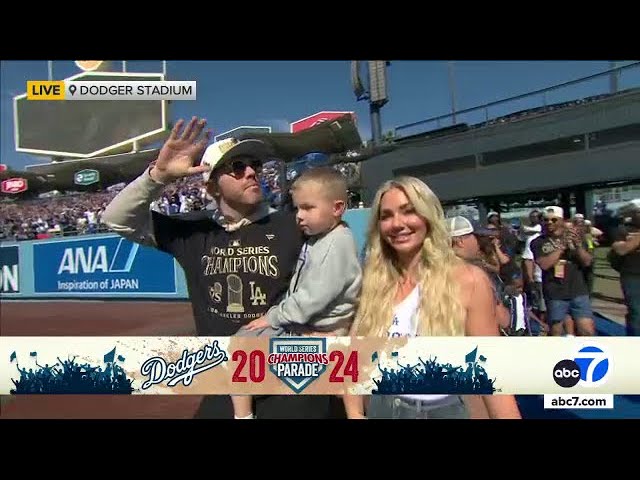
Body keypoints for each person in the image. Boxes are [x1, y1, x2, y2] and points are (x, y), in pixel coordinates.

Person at [102, 117, 339, 418]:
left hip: (290, 385)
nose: (252, 172)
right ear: (212, 185)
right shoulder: (193, 231)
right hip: (224, 385)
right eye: (237, 168)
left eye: (253, 164)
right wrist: (157, 176)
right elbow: (115, 219)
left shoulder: (294, 223)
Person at [342, 176, 522, 419]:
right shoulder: (375, 281)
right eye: (386, 216)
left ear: (428, 216)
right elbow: (355, 354)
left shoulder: (468, 280)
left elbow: (491, 372)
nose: (397, 224)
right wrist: (354, 413)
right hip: (382, 406)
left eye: (409, 211)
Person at [231, 166, 362, 419]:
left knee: (241, 346)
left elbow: (313, 298)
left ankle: (243, 415)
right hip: (310, 327)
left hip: (322, 331)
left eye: (308, 208)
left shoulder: (337, 243)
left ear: (337, 208)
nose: (299, 216)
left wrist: (273, 317)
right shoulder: (322, 237)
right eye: (297, 208)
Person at [530, 206, 595, 337]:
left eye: (554, 220)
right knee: (556, 331)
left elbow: (587, 261)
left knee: (587, 330)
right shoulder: (538, 242)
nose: (549, 222)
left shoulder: (577, 237)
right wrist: (562, 247)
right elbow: (544, 264)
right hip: (555, 292)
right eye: (546, 220)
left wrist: (577, 246)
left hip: (578, 290)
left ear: (562, 221)